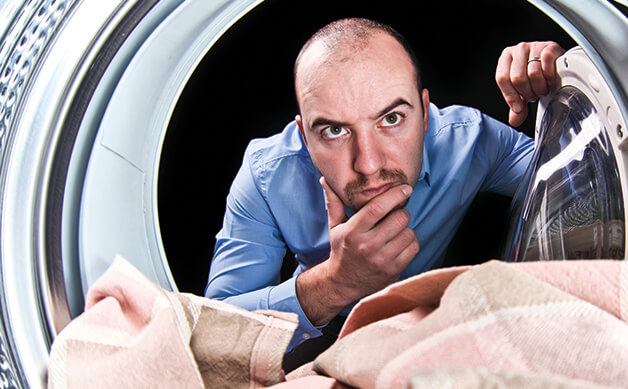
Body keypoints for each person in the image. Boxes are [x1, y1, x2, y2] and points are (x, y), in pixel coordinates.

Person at [205, 17, 565, 367]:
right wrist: (334, 283)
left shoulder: (470, 139)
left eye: (391, 119)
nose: (369, 164)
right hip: (320, 334)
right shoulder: (267, 173)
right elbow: (213, 333)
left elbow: (580, 176)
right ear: (303, 135)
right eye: (333, 131)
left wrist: (561, 81)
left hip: (434, 328)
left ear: (425, 114)